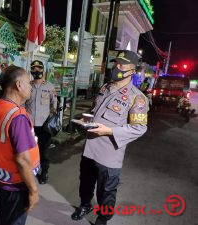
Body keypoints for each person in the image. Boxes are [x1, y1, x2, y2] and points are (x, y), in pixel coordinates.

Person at [71, 50, 149, 225]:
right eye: (116, 63)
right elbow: (94, 111)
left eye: (122, 64)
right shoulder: (105, 88)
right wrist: (87, 119)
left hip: (110, 154)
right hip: (90, 148)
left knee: (106, 191)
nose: (117, 67)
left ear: (133, 70)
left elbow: (139, 128)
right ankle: (85, 205)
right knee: (85, 182)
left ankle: (102, 219)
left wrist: (110, 131)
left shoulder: (137, 98)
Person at [0, 65, 40, 225]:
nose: (31, 86)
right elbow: (22, 160)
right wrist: (34, 190)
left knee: (4, 216)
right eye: (28, 82)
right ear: (18, 85)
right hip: (15, 184)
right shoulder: (17, 117)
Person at [25, 60, 57, 184]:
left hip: (44, 126)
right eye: (34, 69)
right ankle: (29, 171)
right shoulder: (28, 86)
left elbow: (54, 104)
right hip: (29, 125)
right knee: (28, 150)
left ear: (43, 70)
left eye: (39, 68)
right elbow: (22, 103)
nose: (37, 71)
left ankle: (44, 172)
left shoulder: (49, 86)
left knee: (43, 151)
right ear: (31, 70)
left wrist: (52, 114)